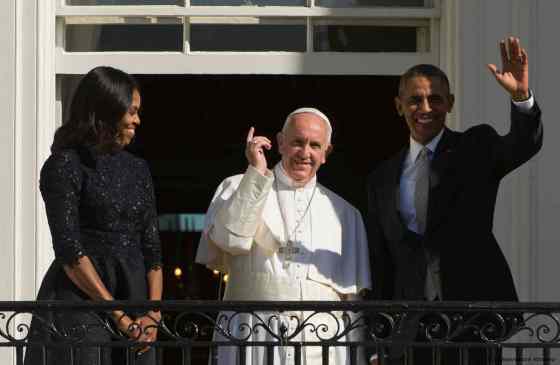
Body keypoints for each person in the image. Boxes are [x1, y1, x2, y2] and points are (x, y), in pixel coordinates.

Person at [366, 37, 542, 363]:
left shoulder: (476, 147)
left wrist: (520, 97)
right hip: (408, 328)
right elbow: (382, 259)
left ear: (451, 103)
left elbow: (522, 145)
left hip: (471, 320)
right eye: (415, 100)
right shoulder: (382, 177)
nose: (426, 108)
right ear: (399, 105)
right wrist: (377, 338)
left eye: (436, 99)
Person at [196, 107, 371, 365]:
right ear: (280, 143)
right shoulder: (237, 186)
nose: (305, 153)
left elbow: (352, 304)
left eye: (314, 145)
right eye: (297, 142)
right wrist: (256, 174)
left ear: (326, 153)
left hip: (321, 342)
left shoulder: (346, 214)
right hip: (251, 332)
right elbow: (229, 241)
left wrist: (360, 357)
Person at [24, 66, 163, 365]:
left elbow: (152, 248)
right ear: (108, 110)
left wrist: (153, 313)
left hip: (135, 295)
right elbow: (69, 251)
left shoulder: (138, 169)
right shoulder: (63, 165)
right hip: (80, 301)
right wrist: (117, 314)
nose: (138, 119)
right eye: (133, 110)